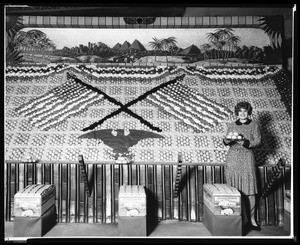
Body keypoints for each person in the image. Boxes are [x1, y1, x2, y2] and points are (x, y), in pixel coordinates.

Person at [223, 101, 261, 231]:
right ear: (237, 112)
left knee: (250, 192)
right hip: (233, 159)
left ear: (249, 112)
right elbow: (227, 139)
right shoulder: (232, 125)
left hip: (247, 158)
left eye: (245, 111)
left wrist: (245, 142)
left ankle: (252, 220)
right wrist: (227, 140)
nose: (243, 113)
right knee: (235, 191)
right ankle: (238, 220)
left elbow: (258, 141)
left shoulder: (254, 125)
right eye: (240, 111)